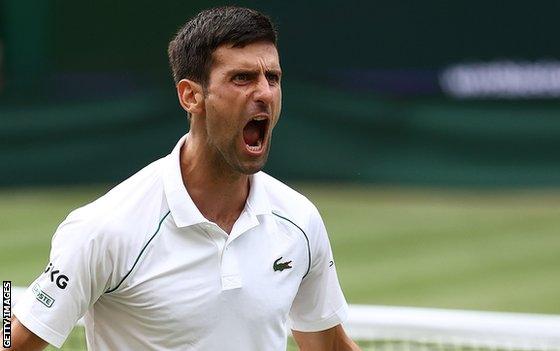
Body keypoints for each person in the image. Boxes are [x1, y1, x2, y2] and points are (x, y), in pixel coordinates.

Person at [7, 6, 360, 351]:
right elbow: (14, 340)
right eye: (242, 78)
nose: (265, 93)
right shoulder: (104, 228)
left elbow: (328, 344)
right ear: (191, 96)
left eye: (273, 78)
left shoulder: (300, 220)